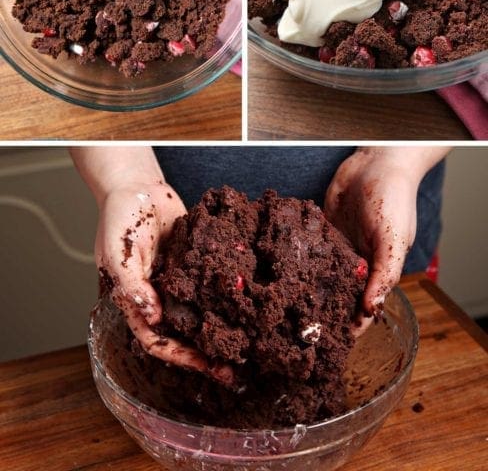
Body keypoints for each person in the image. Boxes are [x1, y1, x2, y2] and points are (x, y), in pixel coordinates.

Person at [72, 144, 450, 380]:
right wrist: (124, 179)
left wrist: (393, 160)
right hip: (160, 249)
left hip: (368, 230)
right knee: (159, 369)